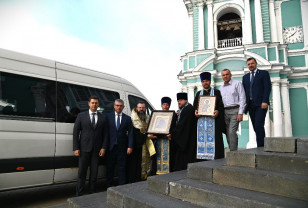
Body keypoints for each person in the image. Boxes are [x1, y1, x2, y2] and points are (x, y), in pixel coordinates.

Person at [73, 95, 108, 196]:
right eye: (92, 103)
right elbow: (76, 132)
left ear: (98, 104)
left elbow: (106, 134)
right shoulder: (81, 116)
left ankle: (92, 192)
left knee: (94, 172)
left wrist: (103, 147)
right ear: (89, 103)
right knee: (82, 172)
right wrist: (76, 148)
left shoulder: (102, 117)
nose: (94, 104)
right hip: (84, 148)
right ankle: (79, 193)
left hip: (97, 149)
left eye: (96, 103)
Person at [193, 72, 225, 160]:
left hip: (214, 122)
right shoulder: (199, 94)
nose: (205, 83)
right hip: (201, 123)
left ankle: (217, 160)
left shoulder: (216, 92)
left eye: (206, 81)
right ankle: (201, 159)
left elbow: (221, 106)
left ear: (210, 82)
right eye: (203, 81)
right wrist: (195, 112)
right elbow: (195, 107)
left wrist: (217, 111)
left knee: (216, 142)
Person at [242, 57, 271, 147]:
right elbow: (244, 92)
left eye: (252, 63)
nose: (250, 65)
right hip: (250, 105)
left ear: (256, 64)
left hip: (261, 104)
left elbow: (267, 87)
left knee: (259, 124)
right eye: (249, 64)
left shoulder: (263, 73)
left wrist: (265, 101)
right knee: (255, 126)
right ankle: (263, 144)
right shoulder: (245, 77)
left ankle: (261, 146)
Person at [106, 99, 133, 187]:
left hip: (122, 148)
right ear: (114, 106)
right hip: (110, 148)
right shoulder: (107, 117)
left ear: (123, 107)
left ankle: (122, 187)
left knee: (122, 168)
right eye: (117, 105)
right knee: (110, 168)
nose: (119, 107)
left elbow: (131, 134)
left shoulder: (127, 119)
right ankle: (110, 186)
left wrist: (130, 146)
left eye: (121, 106)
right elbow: (104, 133)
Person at [127, 102, 155, 183]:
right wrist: (146, 136)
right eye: (140, 107)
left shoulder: (148, 118)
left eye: (143, 108)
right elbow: (134, 134)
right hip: (136, 147)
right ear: (136, 108)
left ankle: (145, 179)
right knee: (135, 166)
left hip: (146, 145)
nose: (141, 109)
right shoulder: (132, 119)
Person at [148, 97, 177, 174]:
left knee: (168, 159)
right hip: (157, 140)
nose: (165, 106)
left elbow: (175, 128)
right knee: (157, 159)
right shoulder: (157, 115)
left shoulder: (173, 116)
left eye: (167, 105)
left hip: (168, 142)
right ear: (161, 105)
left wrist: (171, 135)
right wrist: (151, 134)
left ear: (169, 106)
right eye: (164, 104)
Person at [220, 69, 246, 151]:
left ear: (230, 75)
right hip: (225, 112)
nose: (225, 76)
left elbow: (242, 98)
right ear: (222, 77)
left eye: (227, 74)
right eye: (223, 75)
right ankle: (232, 150)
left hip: (235, 110)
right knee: (228, 133)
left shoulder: (237, 84)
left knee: (232, 131)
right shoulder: (221, 87)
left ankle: (233, 152)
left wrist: (240, 113)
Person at [171, 93, 196, 171]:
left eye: (181, 100)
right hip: (186, 139)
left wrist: (172, 132)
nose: (179, 102)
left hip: (187, 141)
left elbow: (182, 127)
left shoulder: (188, 109)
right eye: (178, 100)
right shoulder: (183, 109)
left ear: (186, 100)